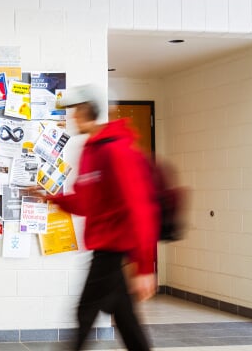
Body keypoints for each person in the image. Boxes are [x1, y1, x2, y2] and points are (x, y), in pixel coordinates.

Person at [36, 84, 158, 351]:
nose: (72, 118)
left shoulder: (116, 151)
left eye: (76, 111)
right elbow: (86, 202)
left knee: (84, 314)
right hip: (104, 249)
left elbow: (140, 209)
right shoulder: (91, 150)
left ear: (88, 109)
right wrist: (50, 197)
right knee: (125, 320)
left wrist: (145, 267)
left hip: (112, 251)